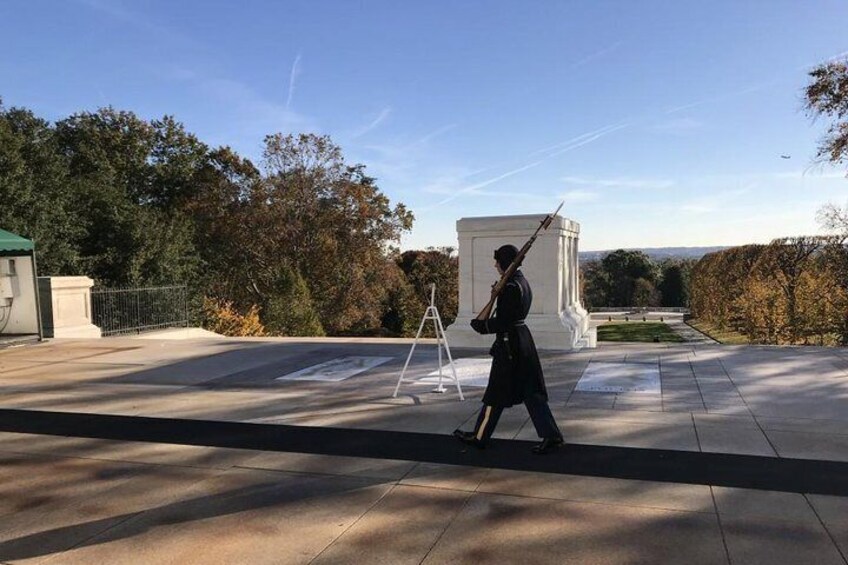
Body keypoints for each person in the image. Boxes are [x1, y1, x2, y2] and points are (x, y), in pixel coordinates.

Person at [453, 244, 564, 455]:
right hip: (522, 341)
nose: (496, 265)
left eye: (498, 261)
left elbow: (505, 321)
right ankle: (552, 435)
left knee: (495, 394)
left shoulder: (512, 286)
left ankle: (479, 437)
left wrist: (482, 326)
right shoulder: (521, 282)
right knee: (531, 393)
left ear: (505, 262)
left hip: (509, 345)